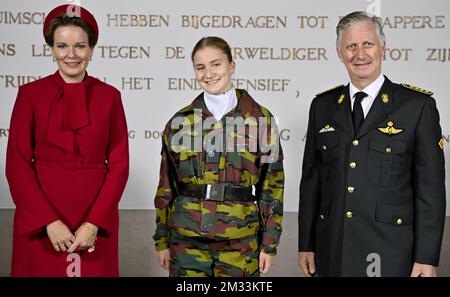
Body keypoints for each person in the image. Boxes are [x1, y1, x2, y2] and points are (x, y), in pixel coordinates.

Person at [298, 11, 446, 277]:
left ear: (383, 48)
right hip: (333, 249)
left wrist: (427, 257)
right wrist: (306, 244)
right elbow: (311, 182)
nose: (360, 54)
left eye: (368, 44)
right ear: (340, 53)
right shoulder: (322, 106)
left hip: (391, 251)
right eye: (351, 46)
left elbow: (430, 189)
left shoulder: (417, 106)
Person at [5, 4, 129, 276]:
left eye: (80, 46)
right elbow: (17, 164)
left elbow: (119, 166)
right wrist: (48, 222)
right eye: (62, 46)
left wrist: (93, 223)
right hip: (40, 218)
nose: (71, 55)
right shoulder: (30, 95)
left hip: (95, 217)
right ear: (51, 49)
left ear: (92, 49)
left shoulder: (110, 96)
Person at [153, 36, 284, 277]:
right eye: (200, 67)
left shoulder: (260, 120)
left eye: (216, 64)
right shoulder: (179, 122)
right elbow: (165, 186)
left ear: (231, 66)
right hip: (186, 240)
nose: (208, 73)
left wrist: (270, 243)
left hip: (240, 240)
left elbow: (272, 188)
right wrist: (161, 240)